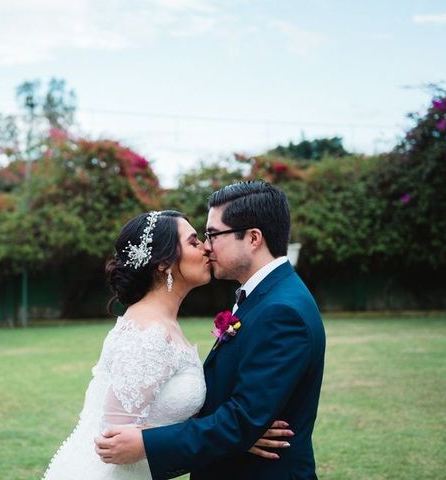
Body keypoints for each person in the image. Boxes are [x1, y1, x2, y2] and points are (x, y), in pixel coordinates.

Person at [95, 181, 326, 479]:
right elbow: (240, 416)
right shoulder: (264, 297)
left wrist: (149, 442)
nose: (207, 246)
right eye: (201, 238)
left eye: (213, 234)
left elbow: (242, 420)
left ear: (253, 238)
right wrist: (243, 436)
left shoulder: (281, 311)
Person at [43, 209, 291, 480]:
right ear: (163, 263)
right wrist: (228, 442)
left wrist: (233, 435)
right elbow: (114, 441)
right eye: (194, 241)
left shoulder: (163, 324)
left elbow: (157, 423)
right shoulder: (146, 334)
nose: (207, 248)